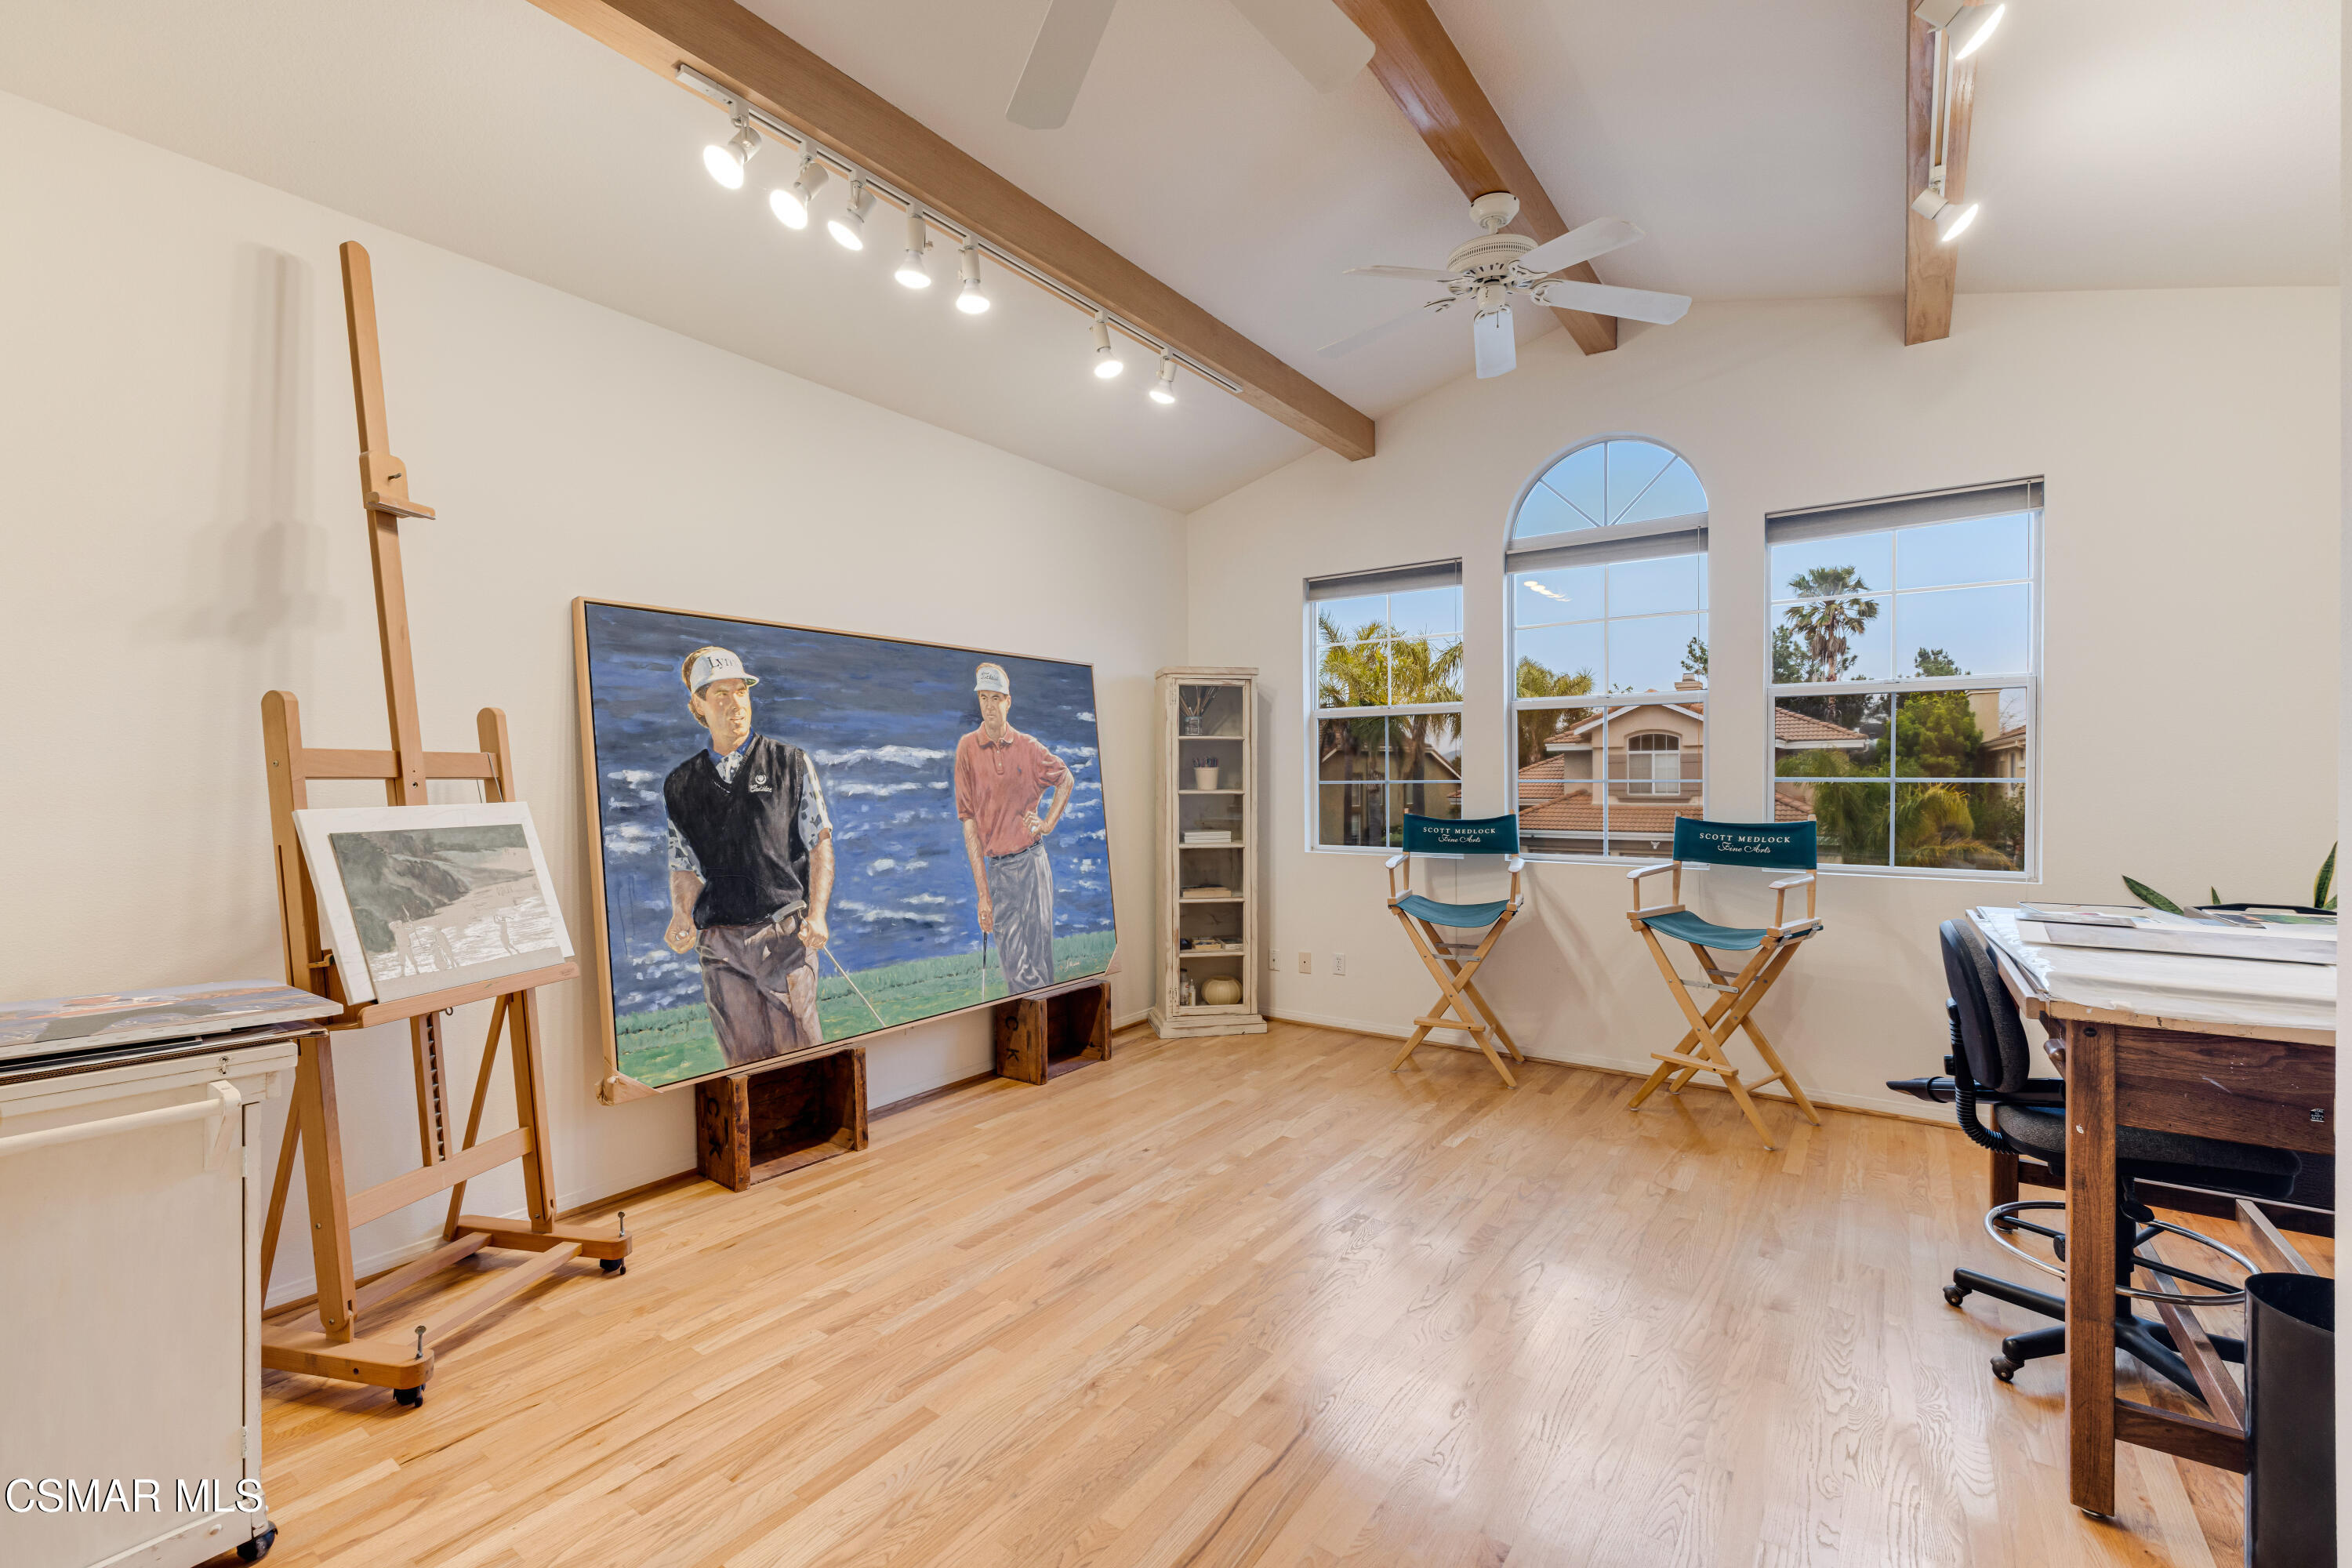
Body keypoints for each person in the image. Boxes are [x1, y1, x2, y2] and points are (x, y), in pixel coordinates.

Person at [661, 646, 836, 1068]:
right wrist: (682, 915)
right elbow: (684, 865)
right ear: (697, 706)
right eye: (720, 694)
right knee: (744, 1063)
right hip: (719, 946)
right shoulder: (680, 784)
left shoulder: (791, 763)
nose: (735, 703)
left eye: (741, 691)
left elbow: (820, 845)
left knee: (804, 1053)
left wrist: (818, 914)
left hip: (785, 937)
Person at [954, 662, 1073, 995]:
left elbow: (1066, 779)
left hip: (1034, 865)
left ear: (1009, 701)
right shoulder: (966, 749)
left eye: (996, 698)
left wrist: (1047, 823)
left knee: (1041, 965)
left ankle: (1048, 1037)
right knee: (1016, 970)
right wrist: (982, 895)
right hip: (999, 872)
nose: (990, 706)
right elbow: (969, 823)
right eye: (984, 698)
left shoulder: (1029, 747)